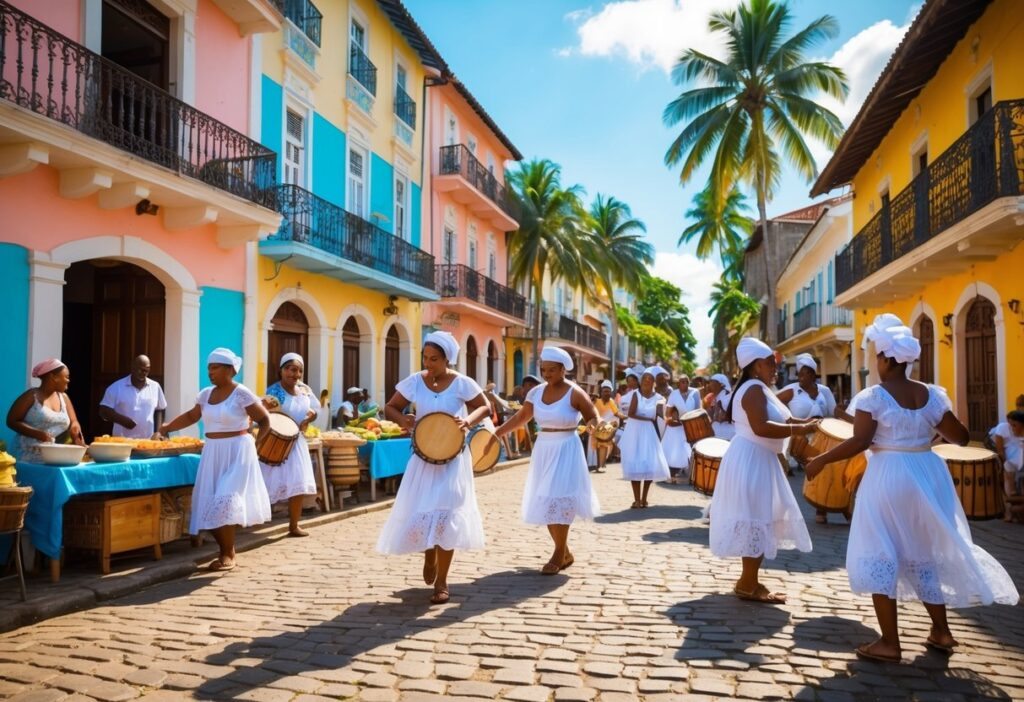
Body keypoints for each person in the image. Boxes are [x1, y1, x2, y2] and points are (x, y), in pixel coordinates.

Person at [806, 318, 1018, 663]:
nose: (876, 361)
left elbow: (861, 440)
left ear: (888, 360)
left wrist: (821, 460)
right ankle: (942, 631)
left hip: (888, 475)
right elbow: (961, 438)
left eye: (878, 356)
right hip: (927, 473)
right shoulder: (932, 394)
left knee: (880, 551)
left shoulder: (873, 396)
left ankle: (889, 642)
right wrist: (925, 435)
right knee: (924, 553)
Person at [376, 331, 490, 605]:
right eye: (425, 358)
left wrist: (467, 421)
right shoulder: (416, 381)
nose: (429, 364)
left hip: (453, 459)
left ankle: (442, 582)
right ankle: (429, 552)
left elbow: (484, 407)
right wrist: (404, 420)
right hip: (423, 457)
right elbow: (390, 407)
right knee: (423, 510)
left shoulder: (462, 383)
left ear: (447, 358)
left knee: (448, 513)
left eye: (434, 359)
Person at [708, 338, 818, 604]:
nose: (775, 369)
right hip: (752, 459)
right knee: (756, 518)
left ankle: (749, 580)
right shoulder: (754, 389)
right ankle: (748, 583)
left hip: (757, 458)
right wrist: (800, 430)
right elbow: (761, 426)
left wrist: (809, 423)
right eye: (771, 364)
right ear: (756, 366)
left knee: (760, 517)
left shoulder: (759, 388)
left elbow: (784, 419)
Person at [160, 348, 271, 571]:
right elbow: (193, 416)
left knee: (225, 499)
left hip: (239, 450)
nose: (211, 372)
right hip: (213, 451)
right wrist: (167, 426)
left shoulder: (242, 394)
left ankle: (228, 553)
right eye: (209, 368)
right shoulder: (205, 394)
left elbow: (265, 420)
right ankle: (225, 550)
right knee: (209, 502)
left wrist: (257, 447)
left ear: (230, 370)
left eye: (216, 367)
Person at [496, 346, 601, 574]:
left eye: (552, 370)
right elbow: (522, 417)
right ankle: (564, 552)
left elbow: (593, 415)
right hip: (544, 448)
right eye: (544, 370)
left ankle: (557, 554)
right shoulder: (535, 393)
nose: (547, 374)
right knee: (546, 500)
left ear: (563, 369)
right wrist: (497, 432)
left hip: (567, 448)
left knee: (560, 500)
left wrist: (593, 426)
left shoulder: (575, 392)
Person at [260, 353, 318, 537]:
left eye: (300, 370)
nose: (296, 374)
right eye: (292, 370)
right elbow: (263, 414)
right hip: (276, 441)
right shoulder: (274, 392)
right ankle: (254, 521)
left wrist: (309, 418)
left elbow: (314, 410)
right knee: (266, 481)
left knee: (298, 483)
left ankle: (294, 525)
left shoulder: (304, 390)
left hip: (297, 442)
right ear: (282, 370)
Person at [777, 353, 839, 524]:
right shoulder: (792, 390)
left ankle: (822, 508)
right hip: (800, 439)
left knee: (824, 472)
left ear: (813, 374)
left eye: (805, 373)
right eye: (799, 374)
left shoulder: (824, 391)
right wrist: (789, 420)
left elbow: (834, 412)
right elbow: (773, 405)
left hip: (822, 437)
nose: (801, 377)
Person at [6, 359, 85, 461]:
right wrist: (38, 434)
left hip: (51, 457)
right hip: (26, 456)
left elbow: (74, 421)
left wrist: (75, 429)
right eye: (66, 377)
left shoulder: (64, 397)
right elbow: (11, 421)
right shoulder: (31, 396)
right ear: (54, 377)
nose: (68, 380)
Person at [619, 367, 670, 508]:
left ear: (654, 382)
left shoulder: (659, 398)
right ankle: (636, 499)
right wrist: (648, 419)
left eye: (650, 379)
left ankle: (644, 499)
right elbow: (631, 413)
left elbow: (660, 413)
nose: (647, 381)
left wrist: (667, 417)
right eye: (644, 379)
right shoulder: (636, 394)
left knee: (649, 463)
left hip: (649, 433)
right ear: (641, 381)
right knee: (635, 463)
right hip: (635, 431)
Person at [98, 355, 167, 439]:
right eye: (140, 369)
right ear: (133, 367)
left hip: (146, 443)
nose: (143, 372)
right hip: (122, 443)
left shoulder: (155, 387)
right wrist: (123, 420)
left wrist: (159, 432)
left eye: (147, 370)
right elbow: (103, 411)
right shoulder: (116, 387)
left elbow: (161, 409)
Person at [663, 374, 702, 484]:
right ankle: (673, 475)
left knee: (693, 449)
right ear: (678, 384)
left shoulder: (695, 392)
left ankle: (694, 476)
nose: (685, 383)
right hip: (679, 425)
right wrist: (672, 419)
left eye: (686, 381)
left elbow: (698, 410)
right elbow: (667, 412)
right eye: (682, 382)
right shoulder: (674, 394)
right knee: (674, 448)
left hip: (692, 425)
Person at [990, 410, 1024, 521]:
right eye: (1011, 424)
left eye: (1015, 425)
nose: (1012, 427)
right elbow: (1000, 450)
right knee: (1009, 470)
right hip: (1011, 462)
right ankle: (1010, 507)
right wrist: (1002, 462)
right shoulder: (1003, 428)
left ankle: (1013, 507)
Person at [587, 380, 619, 472]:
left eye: (608, 391)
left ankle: (601, 465)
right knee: (593, 445)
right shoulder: (596, 400)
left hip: (606, 429)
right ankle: (593, 464)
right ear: (601, 392)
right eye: (604, 391)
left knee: (604, 445)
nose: (606, 393)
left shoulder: (612, 402)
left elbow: (615, 415)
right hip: (595, 427)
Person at [707, 373, 735, 440]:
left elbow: (726, 416)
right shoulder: (718, 397)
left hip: (728, 435)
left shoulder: (726, 397)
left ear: (721, 384)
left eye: (712, 382)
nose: (709, 384)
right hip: (720, 434)